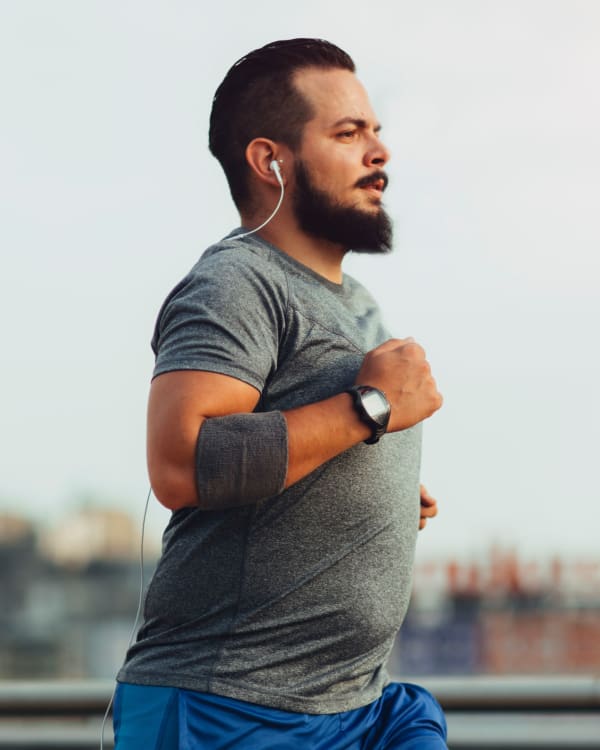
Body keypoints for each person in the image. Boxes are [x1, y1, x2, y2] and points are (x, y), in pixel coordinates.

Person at [114, 38, 447, 749]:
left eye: (376, 130)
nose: (379, 152)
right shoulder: (237, 282)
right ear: (271, 161)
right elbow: (180, 464)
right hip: (229, 706)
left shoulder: (355, 299)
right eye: (348, 133)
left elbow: (311, 434)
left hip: (361, 704)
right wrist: (370, 410)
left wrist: (377, 488)